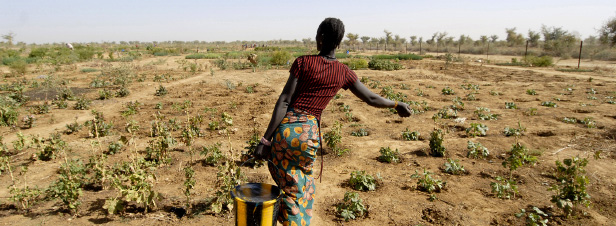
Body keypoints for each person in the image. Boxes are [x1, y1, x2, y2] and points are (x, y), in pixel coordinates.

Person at [254, 17, 412, 226]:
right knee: (299, 190)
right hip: (307, 135)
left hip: (284, 133)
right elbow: (371, 98)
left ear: (320, 37)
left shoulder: (303, 62)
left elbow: (284, 101)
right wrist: (396, 104)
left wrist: (265, 141)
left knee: (288, 185)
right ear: (339, 42)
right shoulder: (343, 72)